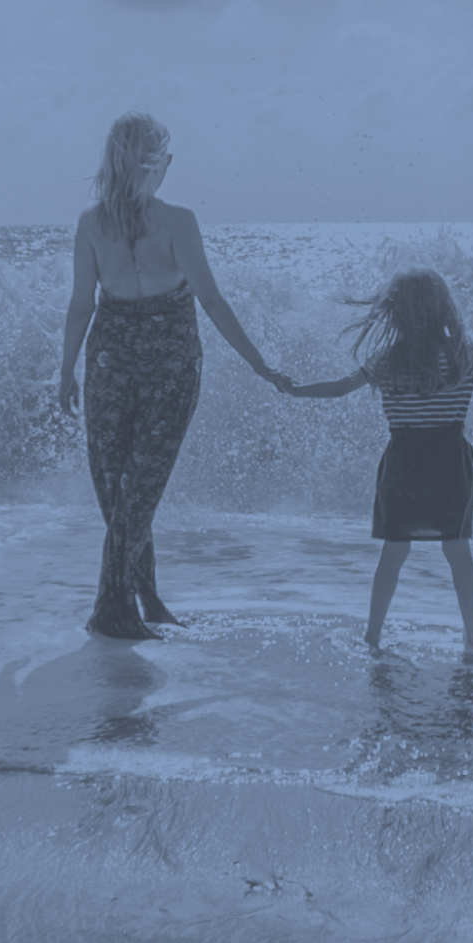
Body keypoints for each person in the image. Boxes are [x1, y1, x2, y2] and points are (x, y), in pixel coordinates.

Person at [54, 113, 287, 639]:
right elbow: (209, 298)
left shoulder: (93, 223)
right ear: (157, 163)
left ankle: (137, 603)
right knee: (135, 493)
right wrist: (257, 361)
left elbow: (80, 306)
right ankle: (117, 609)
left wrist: (66, 370)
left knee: (124, 493)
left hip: (110, 363)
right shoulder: (178, 221)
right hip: (170, 366)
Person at [287, 268, 473, 660]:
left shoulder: (387, 360)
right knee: (458, 551)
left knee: (393, 553)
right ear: (445, 309)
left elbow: (340, 388)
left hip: (403, 461)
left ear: (394, 313)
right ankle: (472, 636)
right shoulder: (463, 354)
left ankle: (372, 637)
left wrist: (293, 389)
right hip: (449, 461)